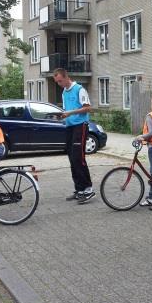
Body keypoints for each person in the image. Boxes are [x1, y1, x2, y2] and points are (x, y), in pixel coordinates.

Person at [53, 68, 95, 204]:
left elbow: (88, 108)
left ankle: (88, 189)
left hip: (80, 126)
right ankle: (79, 189)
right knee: (72, 158)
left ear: (66, 77)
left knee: (79, 158)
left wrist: (70, 113)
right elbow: (67, 110)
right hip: (69, 127)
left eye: (60, 81)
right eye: (57, 82)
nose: (59, 84)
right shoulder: (64, 92)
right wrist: (62, 117)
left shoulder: (79, 89)